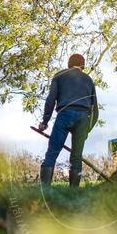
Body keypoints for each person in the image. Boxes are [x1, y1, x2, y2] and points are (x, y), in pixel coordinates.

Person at [38, 53, 98, 186]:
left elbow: (50, 100)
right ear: (83, 65)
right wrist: (87, 129)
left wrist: (45, 121)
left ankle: (44, 190)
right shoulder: (89, 80)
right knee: (76, 158)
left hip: (65, 114)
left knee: (52, 153)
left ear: (69, 64)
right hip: (83, 118)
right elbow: (95, 110)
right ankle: (74, 191)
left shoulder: (59, 75)